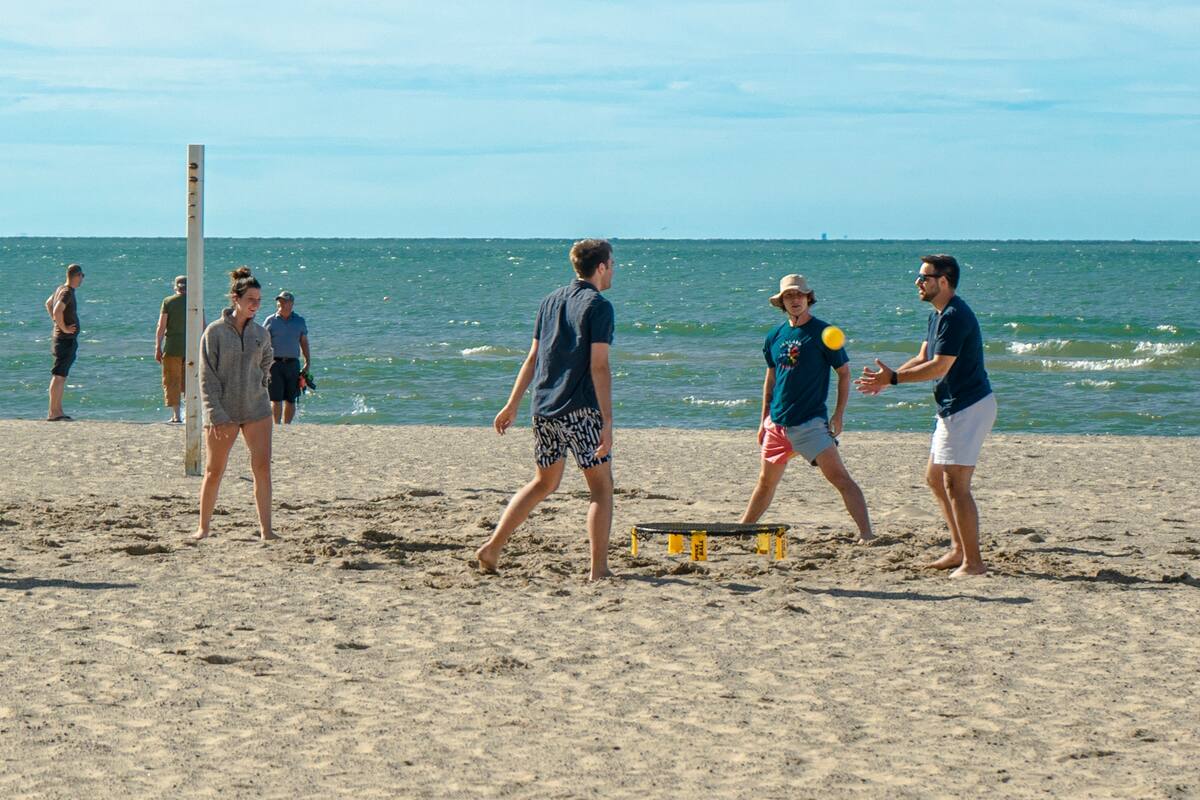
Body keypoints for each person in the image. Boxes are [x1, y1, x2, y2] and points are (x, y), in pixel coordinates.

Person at [475, 238, 616, 581]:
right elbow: (599, 365)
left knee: (543, 483)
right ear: (600, 267)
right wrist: (608, 420)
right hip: (581, 409)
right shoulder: (599, 305)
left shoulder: (550, 301)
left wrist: (513, 403)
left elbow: (533, 357)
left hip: (545, 408)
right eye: (612, 264)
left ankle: (492, 547)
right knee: (601, 489)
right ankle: (599, 571)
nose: (614, 270)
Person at [855, 254, 997, 577]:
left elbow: (939, 366)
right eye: (918, 278)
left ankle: (974, 563)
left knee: (956, 484)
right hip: (952, 407)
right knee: (935, 477)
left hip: (968, 406)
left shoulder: (955, 315)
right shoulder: (938, 315)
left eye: (924, 278)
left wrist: (893, 379)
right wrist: (888, 379)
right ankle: (959, 548)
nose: (918, 283)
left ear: (943, 281)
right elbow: (924, 356)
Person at [739, 274, 874, 542]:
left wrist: (838, 415)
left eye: (800, 295)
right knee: (765, 483)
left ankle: (867, 534)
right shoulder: (774, 336)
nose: (795, 300)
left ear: (808, 298)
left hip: (810, 425)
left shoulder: (824, 333)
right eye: (789, 296)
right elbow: (772, 378)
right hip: (777, 425)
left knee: (841, 480)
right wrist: (763, 420)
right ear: (782, 302)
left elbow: (844, 374)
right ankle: (742, 529)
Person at [195, 267, 277, 542]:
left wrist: (262, 382)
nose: (255, 305)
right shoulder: (215, 332)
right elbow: (206, 376)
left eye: (259, 300)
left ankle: (267, 531)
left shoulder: (260, 333)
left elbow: (268, 358)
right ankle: (203, 528)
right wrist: (215, 412)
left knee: (262, 469)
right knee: (214, 471)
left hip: (257, 410)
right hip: (223, 413)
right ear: (235, 298)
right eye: (250, 299)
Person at [44, 263, 84, 421]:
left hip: (62, 339)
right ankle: (54, 412)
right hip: (64, 340)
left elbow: (48, 303)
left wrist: (57, 322)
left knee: (60, 375)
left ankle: (57, 410)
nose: (82, 279)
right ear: (76, 276)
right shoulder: (66, 292)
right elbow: (56, 309)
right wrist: (64, 327)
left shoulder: (61, 289)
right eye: (82, 276)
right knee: (59, 376)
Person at [263, 290, 310, 424]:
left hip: (293, 364)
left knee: (291, 398)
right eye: (279, 301)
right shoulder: (270, 320)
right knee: (275, 398)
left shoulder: (299, 321)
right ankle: (276, 425)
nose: (281, 304)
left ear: (291, 304)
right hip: (274, 364)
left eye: (284, 301)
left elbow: (304, 342)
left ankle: (287, 425)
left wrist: (307, 362)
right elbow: (263, 343)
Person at [155, 275, 189, 423]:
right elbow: (203, 325)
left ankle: (176, 416)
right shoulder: (196, 301)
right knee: (190, 382)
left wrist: (157, 347)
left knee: (172, 381)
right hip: (191, 348)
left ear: (176, 287)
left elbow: (161, 326)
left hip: (173, 347)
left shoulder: (168, 302)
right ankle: (191, 414)